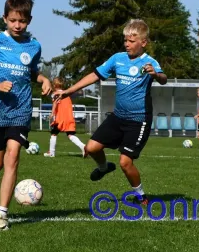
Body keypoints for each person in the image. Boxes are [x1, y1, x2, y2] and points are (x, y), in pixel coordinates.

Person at [54, 19, 167, 205]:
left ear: (143, 43)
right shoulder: (117, 58)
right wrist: (69, 90)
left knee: (125, 162)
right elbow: (94, 75)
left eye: (131, 41)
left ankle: (141, 197)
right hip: (118, 117)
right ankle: (104, 167)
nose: (127, 44)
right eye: (125, 40)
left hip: (139, 121)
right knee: (91, 148)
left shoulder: (150, 62)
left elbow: (163, 79)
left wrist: (156, 74)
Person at [0, 0, 52, 231]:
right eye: (13, 20)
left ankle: (2, 214)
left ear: (29, 20)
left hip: (21, 109)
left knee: (13, 155)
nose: (18, 25)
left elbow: (31, 72)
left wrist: (43, 79)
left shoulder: (34, 45)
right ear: (4, 18)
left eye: (22, 21)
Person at [43, 77, 86, 157]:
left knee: (54, 134)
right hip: (69, 117)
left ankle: (51, 153)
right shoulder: (67, 94)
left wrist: (52, 113)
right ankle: (83, 147)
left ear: (54, 86)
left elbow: (55, 103)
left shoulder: (55, 94)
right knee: (70, 135)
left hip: (60, 118)